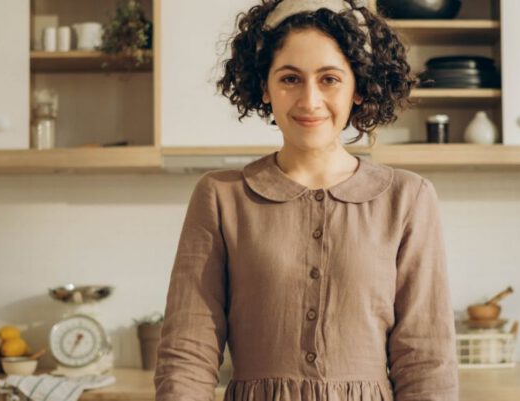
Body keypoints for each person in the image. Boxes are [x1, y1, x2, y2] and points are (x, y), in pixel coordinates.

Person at [154, 1, 458, 401]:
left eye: (329, 79)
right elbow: (187, 353)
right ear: (265, 86)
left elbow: (426, 360)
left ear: (360, 89)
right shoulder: (220, 197)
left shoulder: (408, 199)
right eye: (290, 79)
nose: (309, 100)